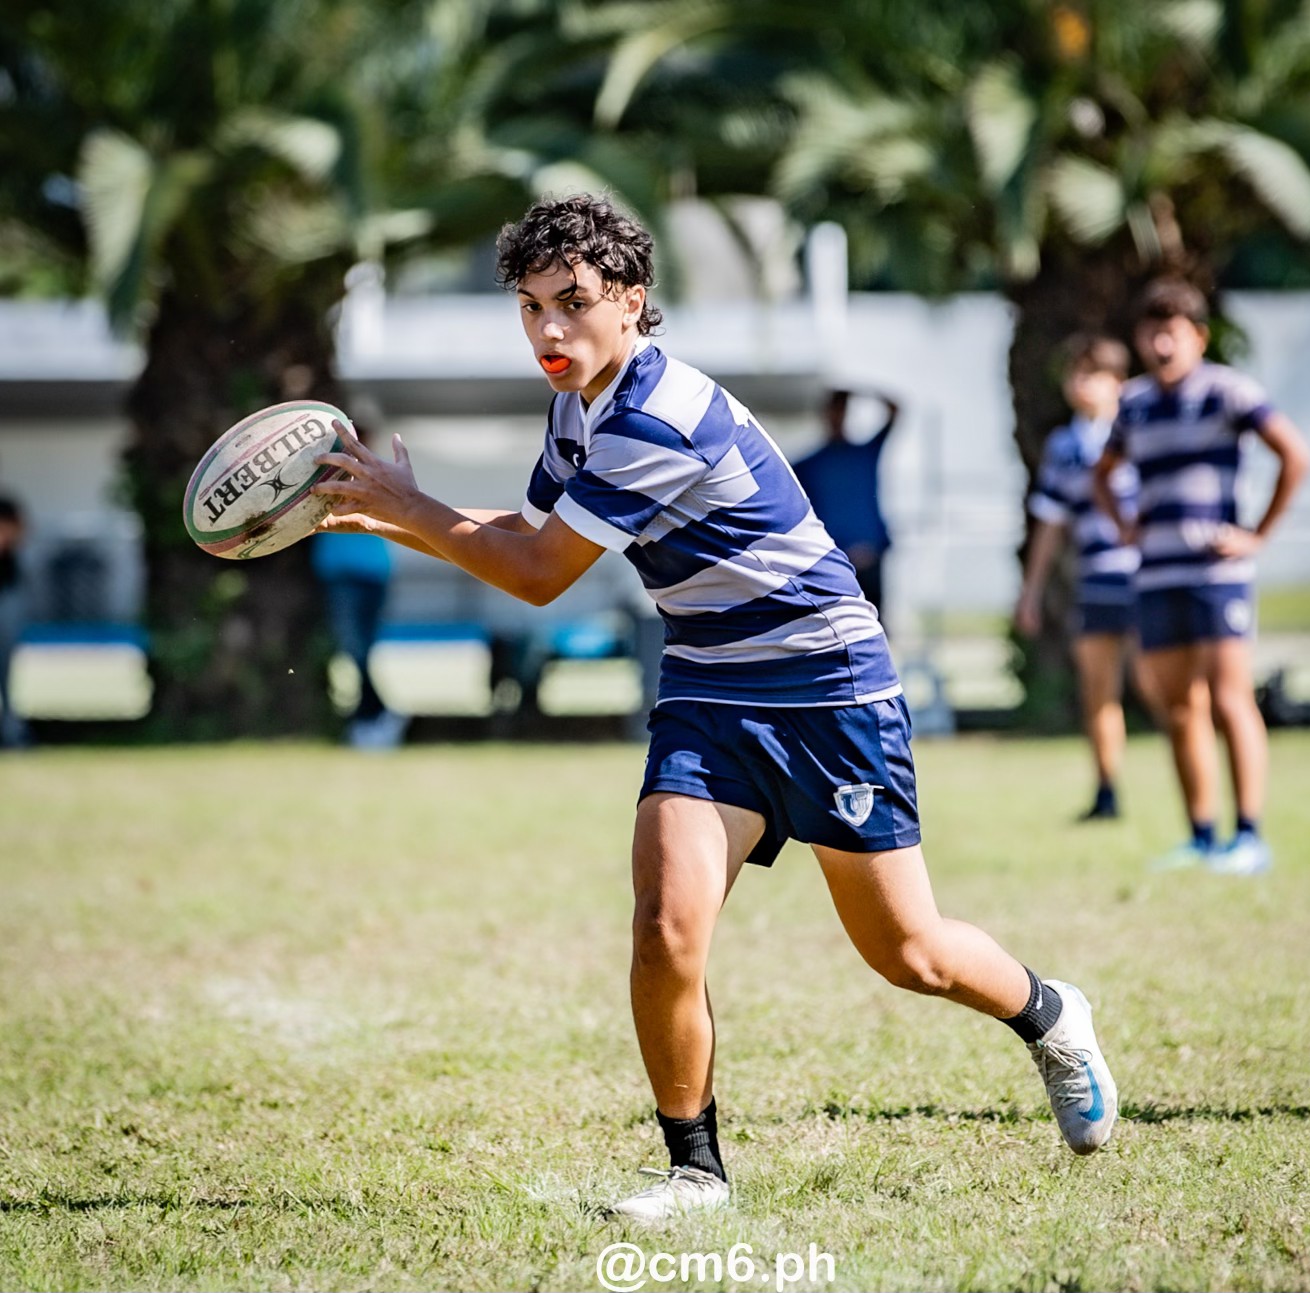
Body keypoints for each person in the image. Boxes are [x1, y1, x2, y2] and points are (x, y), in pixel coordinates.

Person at [311, 194, 1119, 1221]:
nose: (547, 331)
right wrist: (393, 511)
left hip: (827, 687)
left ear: (631, 302)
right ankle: (696, 1172)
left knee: (905, 951)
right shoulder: (580, 404)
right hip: (708, 683)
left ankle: (1050, 1014)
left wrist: (405, 509)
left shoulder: (659, 414)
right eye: (528, 307)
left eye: (571, 304)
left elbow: (537, 573)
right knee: (663, 928)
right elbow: (524, 528)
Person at [1093, 278, 1310, 876]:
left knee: (1229, 699)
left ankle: (1249, 835)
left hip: (1218, 574)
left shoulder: (1229, 391)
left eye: (1174, 332)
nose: (1162, 343)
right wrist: (1124, 525)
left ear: (1199, 337)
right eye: (1151, 331)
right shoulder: (1132, 403)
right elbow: (1101, 474)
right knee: (1180, 708)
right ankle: (1201, 836)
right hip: (1156, 574)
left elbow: (1295, 455)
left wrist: (1257, 535)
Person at [1015, 334, 1141, 820]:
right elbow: (1050, 525)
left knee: (1160, 687)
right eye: (1074, 374)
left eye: (1092, 374)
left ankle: (1198, 801)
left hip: (1147, 581)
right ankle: (1107, 792)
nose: (1079, 384)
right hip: (1095, 583)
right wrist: (1032, 592)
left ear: (1118, 382)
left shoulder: (1141, 430)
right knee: (1098, 691)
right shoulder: (1064, 446)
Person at [310, 413, 407, 750]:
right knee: (356, 648)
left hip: (363, 574)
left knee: (357, 647)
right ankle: (373, 716)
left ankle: (375, 716)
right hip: (346, 573)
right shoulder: (326, 474)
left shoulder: (368, 478)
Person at [791, 386, 900, 616]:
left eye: (842, 410)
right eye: (834, 410)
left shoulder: (865, 453)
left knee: (875, 627)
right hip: (832, 564)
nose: (838, 416)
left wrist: (859, 390)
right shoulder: (807, 465)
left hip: (870, 559)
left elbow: (895, 409)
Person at [0, 491, 28, 750]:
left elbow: (19, 532)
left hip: (6, 592)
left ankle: (12, 735)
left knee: (6, 670)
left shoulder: (7, 503)